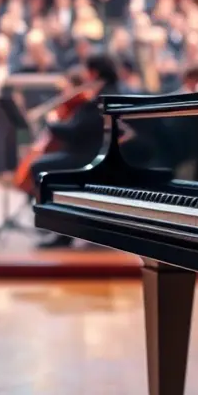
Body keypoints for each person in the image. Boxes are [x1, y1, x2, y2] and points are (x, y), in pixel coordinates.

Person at [31, 55, 119, 249]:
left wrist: (51, 123)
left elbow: (75, 132)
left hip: (89, 157)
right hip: (94, 153)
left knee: (39, 167)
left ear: (93, 72)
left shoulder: (99, 98)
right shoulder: (108, 92)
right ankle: (58, 225)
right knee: (43, 164)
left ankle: (60, 230)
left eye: (86, 71)